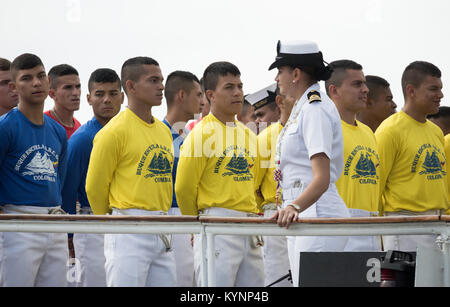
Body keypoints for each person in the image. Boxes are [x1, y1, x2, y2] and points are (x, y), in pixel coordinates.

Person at [86, 57, 176, 287]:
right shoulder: (113, 131)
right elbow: (94, 187)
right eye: (153, 80)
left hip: (163, 226)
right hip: (128, 229)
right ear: (131, 86)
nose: (161, 87)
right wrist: (116, 221)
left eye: (162, 80)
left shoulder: (164, 131)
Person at [268, 40, 350, 287]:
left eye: (280, 71)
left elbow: (322, 177)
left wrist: (294, 205)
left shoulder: (315, 108)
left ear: (295, 74)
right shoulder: (302, 107)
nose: (277, 78)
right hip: (301, 213)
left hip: (317, 213)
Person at [175, 61, 264, 287]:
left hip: (249, 225)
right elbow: (184, 188)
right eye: (229, 87)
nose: (238, 93)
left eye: (240, 86)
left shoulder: (248, 134)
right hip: (216, 224)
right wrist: (196, 225)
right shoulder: (200, 134)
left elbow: (251, 181)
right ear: (210, 95)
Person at [0, 53, 68, 286]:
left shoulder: (58, 131)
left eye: (40, 76)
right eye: (27, 78)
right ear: (14, 87)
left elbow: (60, 180)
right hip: (18, 223)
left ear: (49, 81)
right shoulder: (5, 127)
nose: (36, 83)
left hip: (55, 221)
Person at [376, 61, 448, 252]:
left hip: (439, 224)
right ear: (411, 90)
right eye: (433, 89)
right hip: (406, 226)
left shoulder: (436, 132)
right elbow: (376, 187)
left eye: (441, 89)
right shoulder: (390, 130)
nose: (440, 95)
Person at [61, 68, 124, 287]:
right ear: (89, 98)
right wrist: (68, 236)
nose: (107, 99)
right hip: (91, 225)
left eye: (113, 93)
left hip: (124, 221)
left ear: (122, 97)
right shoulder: (82, 139)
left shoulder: (128, 132)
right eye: (100, 94)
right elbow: (67, 190)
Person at [325, 60, 381, 251]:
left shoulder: (368, 132)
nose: (365, 89)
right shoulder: (325, 128)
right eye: (357, 84)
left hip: (372, 225)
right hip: (340, 226)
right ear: (334, 91)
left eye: (364, 83)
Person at [247, 84, 292, 287]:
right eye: (255, 116)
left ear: (278, 108)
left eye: (261, 115)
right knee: (278, 280)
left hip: (303, 215)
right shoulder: (264, 138)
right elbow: (252, 186)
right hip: (274, 218)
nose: (256, 121)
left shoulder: (301, 130)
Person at [162, 70, 202, 286]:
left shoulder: (192, 137)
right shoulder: (158, 134)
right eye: (198, 94)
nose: (202, 101)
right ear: (181, 96)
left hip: (190, 218)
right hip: (167, 216)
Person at [45, 64, 81, 139]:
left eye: (78, 86)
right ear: (52, 94)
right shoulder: (42, 124)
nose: (76, 93)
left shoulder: (79, 127)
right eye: (68, 87)